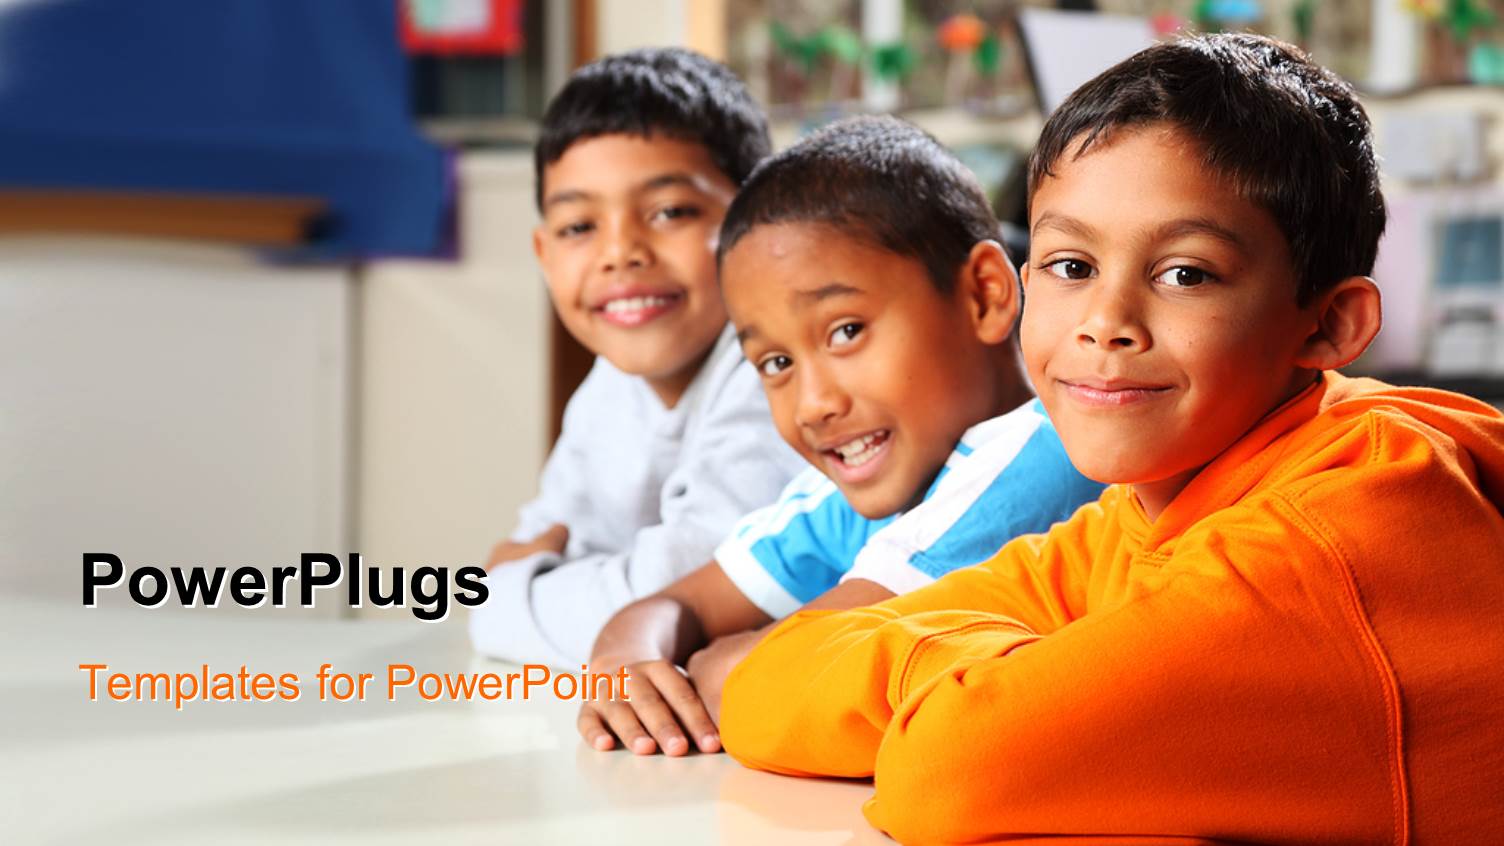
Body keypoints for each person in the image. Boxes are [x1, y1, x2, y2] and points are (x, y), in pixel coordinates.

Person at [719, 34, 1504, 844]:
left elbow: (953, 770)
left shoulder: (1330, 541)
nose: (1105, 324)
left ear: (1332, 325)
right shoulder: (1150, 508)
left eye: (1185, 274)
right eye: (1071, 265)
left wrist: (995, 679)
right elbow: (767, 680)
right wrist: (1001, 674)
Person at [577, 116, 1102, 757]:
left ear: (985, 295)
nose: (814, 404)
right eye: (776, 365)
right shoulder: (872, 483)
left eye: (846, 331)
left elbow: (787, 669)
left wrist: (711, 661)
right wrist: (626, 662)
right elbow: (664, 609)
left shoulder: (1043, 452)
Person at [468, 48, 805, 668]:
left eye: (670, 212)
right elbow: (541, 538)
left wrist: (504, 603)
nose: (620, 252)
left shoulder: (777, 371)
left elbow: (690, 594)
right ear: (544, 254)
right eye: (578, 227)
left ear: (758, 226)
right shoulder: (608, 385)